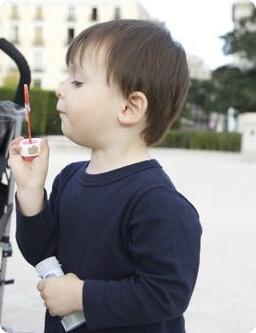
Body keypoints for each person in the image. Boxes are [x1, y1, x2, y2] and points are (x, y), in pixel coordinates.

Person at [9, 19, 202, 333]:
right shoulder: (69, 179)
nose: (60, 88)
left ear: (129, 107)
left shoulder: (158, 203)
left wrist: (81, 296)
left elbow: (166, 294)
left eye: (77, 81)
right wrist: (31, 192)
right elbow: (42, 253)